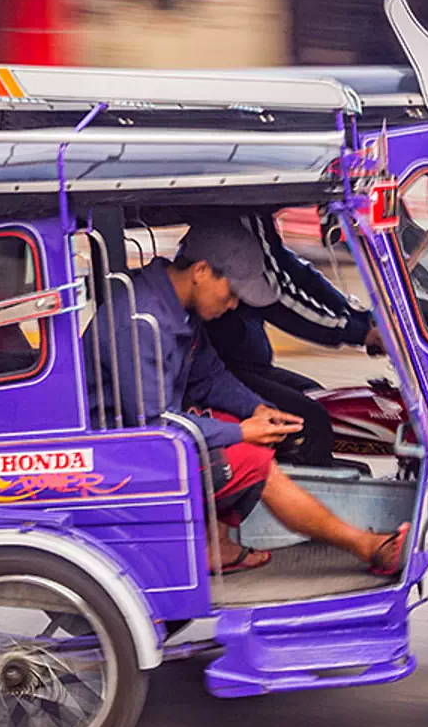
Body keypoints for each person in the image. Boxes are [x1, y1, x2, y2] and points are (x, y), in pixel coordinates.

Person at [84, 219, 406, 576]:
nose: (235, 305)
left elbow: (210, 376)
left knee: (260, 431)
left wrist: (257, 409)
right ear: (202, 271)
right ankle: (365, 545)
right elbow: (152, 422)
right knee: (251, 456)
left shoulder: (181, 310)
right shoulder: (141, 322)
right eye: (232, 292)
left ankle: (216, 543)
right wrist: (242, 433)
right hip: (123, 455)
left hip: (159, 433)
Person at [198, 213, 382, 468]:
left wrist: (359, 319)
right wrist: (357, 332)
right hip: (226, 364)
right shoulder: (245, 209)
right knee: (311, 420)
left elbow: (290, 270)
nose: (234, 302)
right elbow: (277, 296)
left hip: (242, 359)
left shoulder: (256, 221)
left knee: (319, 397)